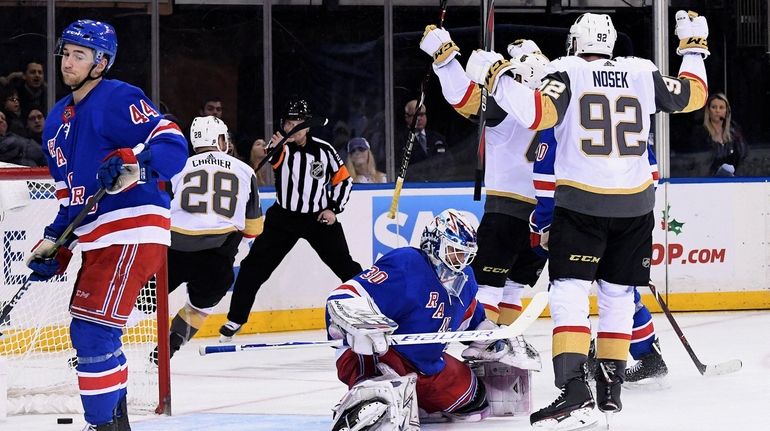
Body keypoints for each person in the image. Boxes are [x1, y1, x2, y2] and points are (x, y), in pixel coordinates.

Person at [465, 10, 709, 428]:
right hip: (635, 206)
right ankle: (610, 390)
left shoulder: (568, 69)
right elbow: (694, 96)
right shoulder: (642, 70)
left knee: (569, 293)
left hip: (582, 206)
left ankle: (574, 387)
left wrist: (499, 77)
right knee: (616, 297)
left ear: (576, 43)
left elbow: (538, 114)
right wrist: (692, 47)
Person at [24, 19, 187, 431]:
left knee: (92, 333)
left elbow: (171, 141)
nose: (68, 61)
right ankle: (113, 423)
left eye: (81, 55)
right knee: (94, 335)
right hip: (100, 238)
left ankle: (103, 426)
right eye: (67, 52)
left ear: (102, 62)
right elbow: (70, 199)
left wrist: (137, 167)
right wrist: (54, 244)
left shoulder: (117, 96)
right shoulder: (56, 119)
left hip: (132, 229)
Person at [420, 27, 550, 371]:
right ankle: (506, 351)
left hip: (506, 211)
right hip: (546, 215)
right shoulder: (555, 103)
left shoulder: (508, 100)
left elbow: (463, 98)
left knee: (488, 288)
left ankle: (485, 348)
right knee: (513, 289)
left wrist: (445, 57)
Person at [328, 209, 526, 429]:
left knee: (476, 399)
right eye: (454, 252)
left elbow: (469, 319)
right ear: (434, 244)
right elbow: (345, 295)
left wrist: (488, 337)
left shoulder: (465, 279)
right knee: (380, 404)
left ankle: (415, 403)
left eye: (465, 254)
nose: (460, 261)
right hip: (382, 358)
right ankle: (363, 404)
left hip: (427, 365)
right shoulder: (407, 264)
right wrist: (361, 324)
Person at [218, 97, 362, 341]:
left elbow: (344, 180)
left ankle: (372, 310)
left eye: (298, 121)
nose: (292, 126)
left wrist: (334, 209)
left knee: (347, 267)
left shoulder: (324, 150)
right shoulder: (281, 148)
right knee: (253, 268)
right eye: (288, 122)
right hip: (283, 219)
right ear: (283, 125)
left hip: (318, 219)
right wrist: (274, 148)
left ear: (307, 125)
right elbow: (275, 158)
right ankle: (235, 319)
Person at [155, 116, 262, 361]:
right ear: (220, 139)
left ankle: (99, 342)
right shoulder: (245, 170)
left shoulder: (178, 165)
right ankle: (170, 346)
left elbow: (160, 209)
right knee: (201, 306)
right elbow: (254, 227)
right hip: (218, 253)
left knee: (142, 299)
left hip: (174, 248)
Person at [691, 92, 747, 176]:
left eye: (721, 107)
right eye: (714, 107)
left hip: (733, 180)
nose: (717, 111)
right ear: (708, 110)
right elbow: (699, 161)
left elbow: (743, 153)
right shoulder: (701, 132)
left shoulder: (734, 131)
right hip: (708, 181)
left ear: (726, 111)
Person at [398, 99, 448, 164]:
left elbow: (449, 163)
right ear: (406, 117)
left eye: (421, 114)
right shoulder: (399, 141)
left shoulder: (438, 138)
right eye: (415, 115)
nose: (419, 119)